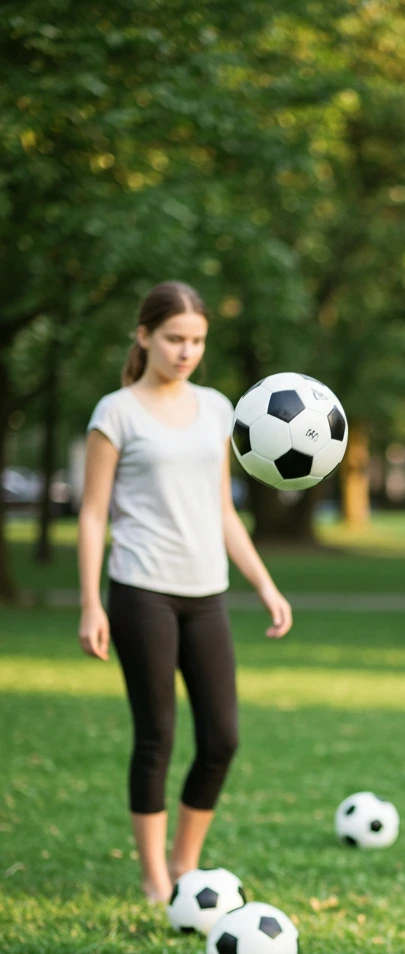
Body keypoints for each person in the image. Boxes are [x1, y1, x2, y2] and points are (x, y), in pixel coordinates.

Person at [77, 281, 293, 903]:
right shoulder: (114, 413)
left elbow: (223, 509)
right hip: (141, 589)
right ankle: (151, 879)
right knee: (157, 737)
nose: (186, 351)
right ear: (144, 336)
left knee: (222, 737)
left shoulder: (220, 408)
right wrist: (91, 602)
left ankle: (184, 866)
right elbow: (93, 515)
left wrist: (264, 583)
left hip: (207, 594)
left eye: (197, 340)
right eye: (174, 338)